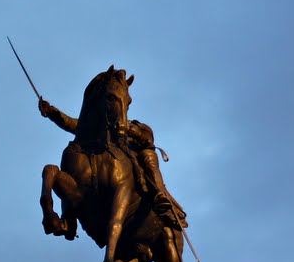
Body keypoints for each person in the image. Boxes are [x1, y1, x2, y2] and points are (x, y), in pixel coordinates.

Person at [38, 98, 185, 230]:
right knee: (73, 171)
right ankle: (68, 220)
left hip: (131, 161)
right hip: (104, 166)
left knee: (149, 162)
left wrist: (127, 129)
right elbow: (71, 123)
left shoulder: (132, 125)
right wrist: (51, 111)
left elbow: (147, 138)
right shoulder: (99, 127)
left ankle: (160, 199)